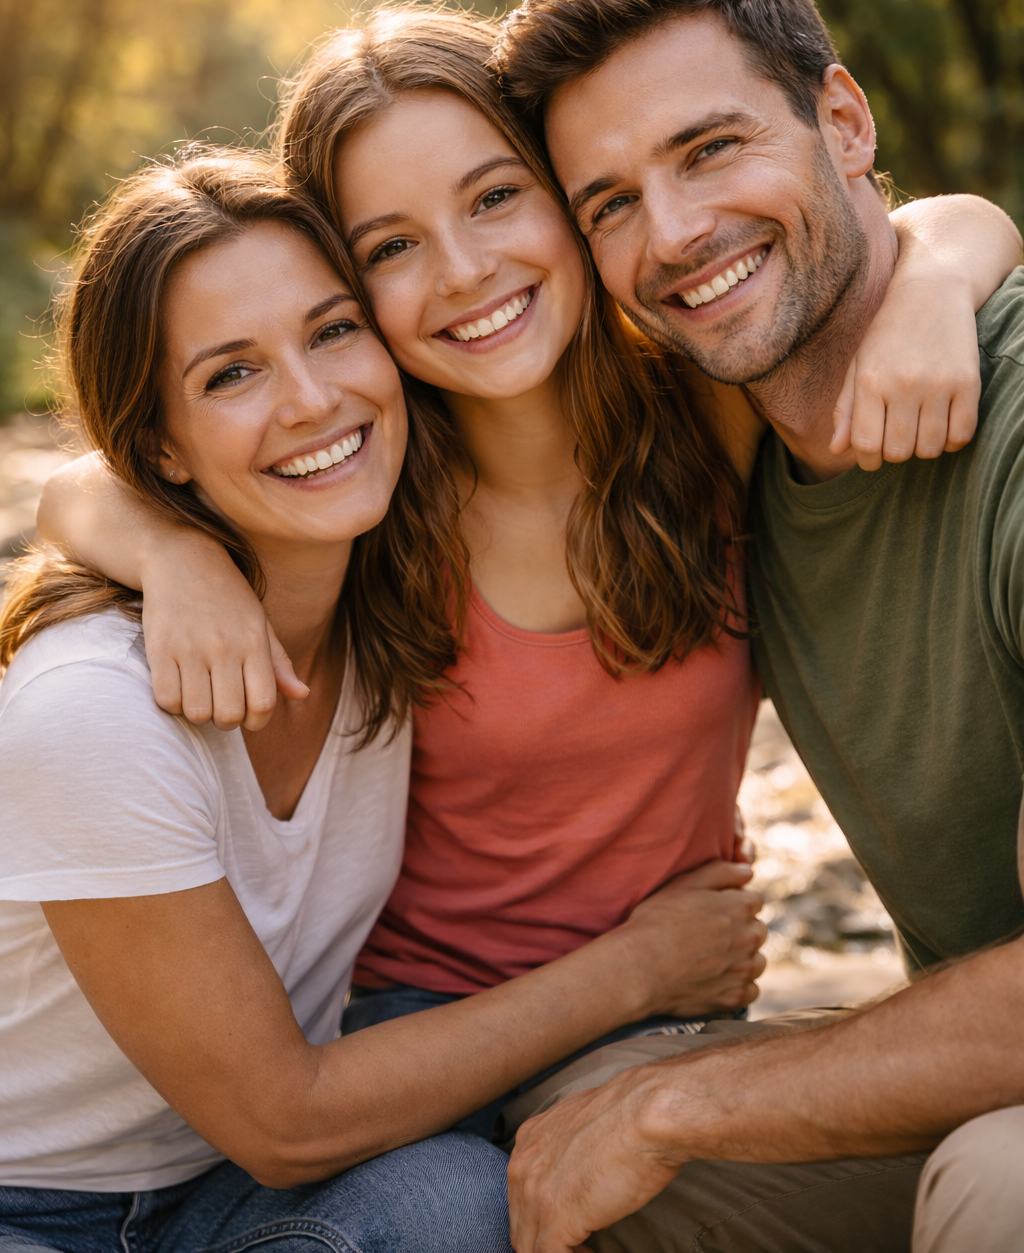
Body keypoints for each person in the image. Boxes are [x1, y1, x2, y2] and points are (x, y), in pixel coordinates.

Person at [36, 9, 1019, 1149]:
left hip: (678, 1007)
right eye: (390, 248)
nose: (465, 273)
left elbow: (938, 224)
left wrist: (934, 285)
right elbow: (88, 483)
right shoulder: (370, 483)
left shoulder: (706, 413)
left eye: (496, 197)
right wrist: (174, 553)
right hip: (416, 1031)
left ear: (569, 196)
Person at [0, 149, 795, 1253]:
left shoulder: (381, 587)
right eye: (232, 375)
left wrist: (172, 547)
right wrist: (642, 968)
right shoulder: (95, 707)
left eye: (332, 331)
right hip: (36, 1201)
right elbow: (287, 1122)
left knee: (457, 1203)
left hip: (221, 1193)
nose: (313, 399)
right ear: (158, 448)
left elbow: (80, 486)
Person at [491, 0, 1024, 1253]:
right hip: (985, 1076)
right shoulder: (725, 454)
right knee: (567, 1140)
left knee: (999, 1180)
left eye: (711, 148)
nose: (674, 234)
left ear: (844, 122)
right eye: (610, 204)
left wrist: (678, 1109)